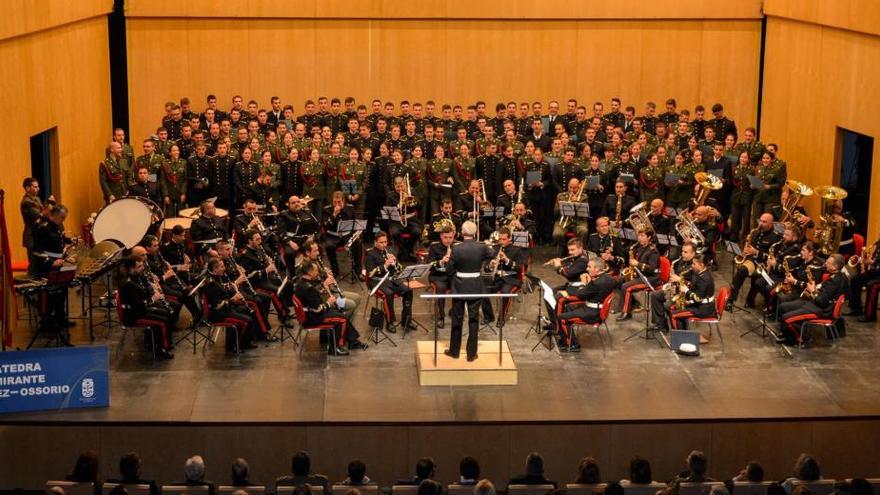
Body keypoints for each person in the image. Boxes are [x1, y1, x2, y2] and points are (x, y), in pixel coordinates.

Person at [445, 221, 495, 361]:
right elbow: (492, 254)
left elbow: (449, 270)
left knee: (457, 319)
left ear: (461, 232)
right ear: (475, 232)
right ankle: (471, 354)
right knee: (473, 320)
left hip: (459, 286)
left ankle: (454, 351)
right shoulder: (482, 247)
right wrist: (487, 247)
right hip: (475, 286)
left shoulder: (455, 248)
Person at [778, 255, 848, 346]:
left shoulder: (834, 281)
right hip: (814, 304)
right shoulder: (838, 276)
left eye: (828, 263)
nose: (825, 263)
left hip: (822, 310)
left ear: (835, 267)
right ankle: (787, 334)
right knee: (783, 307)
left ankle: (801, 339)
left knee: (786, 318)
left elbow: (821, 301)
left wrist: (813, 291)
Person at [118, 256, 176, 358]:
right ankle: (161, 349)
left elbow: (145, 291)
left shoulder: (138, 276)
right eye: (139, 266)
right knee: (163, 321)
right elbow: (137, 305)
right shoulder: (128, 284)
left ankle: (155, 343)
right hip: (134, 316)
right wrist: (153, 299)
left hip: (141, 310)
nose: (143, 267)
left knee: (165, 312)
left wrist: (153, 288)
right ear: (131, 269)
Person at [557, 258, 617, 351]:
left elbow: (580, 295)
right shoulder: (609, 278)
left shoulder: (596, 282)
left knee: (561, 318)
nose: (587, 269)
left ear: (597, 269)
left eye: (589, 267)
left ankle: (572, 345)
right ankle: (566, 337)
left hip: (592, 313)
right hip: (597, 309)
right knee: (568, 307)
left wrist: (583, 283)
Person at [202, 258, 258, 353]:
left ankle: (246, 342)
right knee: (246, 321)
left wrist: (234, 292)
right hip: (218, 314)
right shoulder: (210, 283)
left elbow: (223, 290)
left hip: (225, 309)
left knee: (248, 310)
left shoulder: (216, 277)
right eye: (222, 266)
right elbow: (217, 305)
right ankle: (232, 345)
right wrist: (232, 300)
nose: (224, 268)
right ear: (215, 269)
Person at [727, 213, 781, 310]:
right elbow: (749, 246)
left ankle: (750, 299)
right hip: (752, 261)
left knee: (756, 278)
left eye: (764, 222)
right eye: (760, 221)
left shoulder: (775, 237)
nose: (761, 223)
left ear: (771, 224)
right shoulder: (755, 232)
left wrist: (756, 252)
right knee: (742, 271)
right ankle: (731, 299)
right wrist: (746, 251)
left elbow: (773, 257)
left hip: (764, 264)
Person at [364, 231, 414, 332]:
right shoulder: (370, 254)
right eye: (381, 242)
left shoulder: (388, 252)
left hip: (390, 280)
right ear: (375, 242)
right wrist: (385, 265)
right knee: (388, 294)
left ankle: (407, 320)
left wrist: (395, 263)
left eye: (385, 242)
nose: (384, 245)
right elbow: (370, 274)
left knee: (408, 290)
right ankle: (390, 322)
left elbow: (398, 270)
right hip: (376, 281)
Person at [649, 242, 697, 332]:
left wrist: (680, 280)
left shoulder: (695, 266)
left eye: (686, 252)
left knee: (668, 305)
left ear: (693, 253)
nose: (682, 254)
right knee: (655, 295)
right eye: (682, 251)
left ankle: (678, 331)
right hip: (675, 289)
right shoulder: (680, 261)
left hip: (687, 294)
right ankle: (661, 324)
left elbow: (695, 286)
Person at [488, 227, 528, 328]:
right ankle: (489, 316)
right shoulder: (495, 249)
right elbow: (487, 268)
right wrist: (491, 265)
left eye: (504, 239)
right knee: (482, 289)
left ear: (510, 238)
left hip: (512, 279)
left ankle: (501, 318)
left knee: (505, 293)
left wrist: (506, 260)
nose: (501, 242)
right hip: (498, 278)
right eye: (500, 239)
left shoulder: (517, 250)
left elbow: (519, 268)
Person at [616, 229, 661, 321]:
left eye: (642, 236)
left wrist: (637, 264)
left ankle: (626, 312)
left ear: (649, 237)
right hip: (640, 275)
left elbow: (652, 269)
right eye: (639, 236)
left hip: (649, 279)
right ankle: (626, 305)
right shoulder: (640, 248)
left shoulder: (654, 251)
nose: (639, 238)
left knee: (626, 287)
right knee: (620, 280)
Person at [668, 254, 716, 331]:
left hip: (703, 309)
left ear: (701, 265)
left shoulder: (704, 279)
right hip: (701, 305)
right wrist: (684, 282)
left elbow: (698, 298)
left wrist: (686, 291)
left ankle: (680, 339)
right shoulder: (702, 273)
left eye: (694, 264)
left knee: (674, 315)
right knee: (673, 308)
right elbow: (696, 287)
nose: (692, 266)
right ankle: (684, 333)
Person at [321, 191, 360, 277]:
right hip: (332, 235)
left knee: (357, 243)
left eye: (339, 202)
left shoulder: (350, 208)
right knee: (329, 246)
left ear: (344, 201)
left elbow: (355, 222)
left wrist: (356, 233)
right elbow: (325, 225)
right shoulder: (326, 209)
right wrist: (334, 214)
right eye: (335, 202)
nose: (337, 204)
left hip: (347, 235)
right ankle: (335, 270)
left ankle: (358, 271)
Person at [20, 177, 52, 277]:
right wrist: (49, 206)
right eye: (35, 187)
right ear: (27, 188)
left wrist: (48, 205)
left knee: (41, 264)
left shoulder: (37, 199)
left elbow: (43, 211)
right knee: (33, 264)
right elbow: (39, 215)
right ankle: (32, 288)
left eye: (38, 187)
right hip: (32, 236)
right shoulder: (26, 202)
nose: (38, 189)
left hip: (39, 235)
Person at [426, 226, 456, 329]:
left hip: (452, 275)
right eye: (445, 237)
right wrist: (441, 262)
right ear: (441, 236)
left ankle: (455, 312)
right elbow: (429, 264)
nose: (448, 240)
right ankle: (441, 317)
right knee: (440, 288)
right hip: (437, 276)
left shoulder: (456, 246)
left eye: (450, 237)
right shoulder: (434, 247)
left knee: (460, 285)